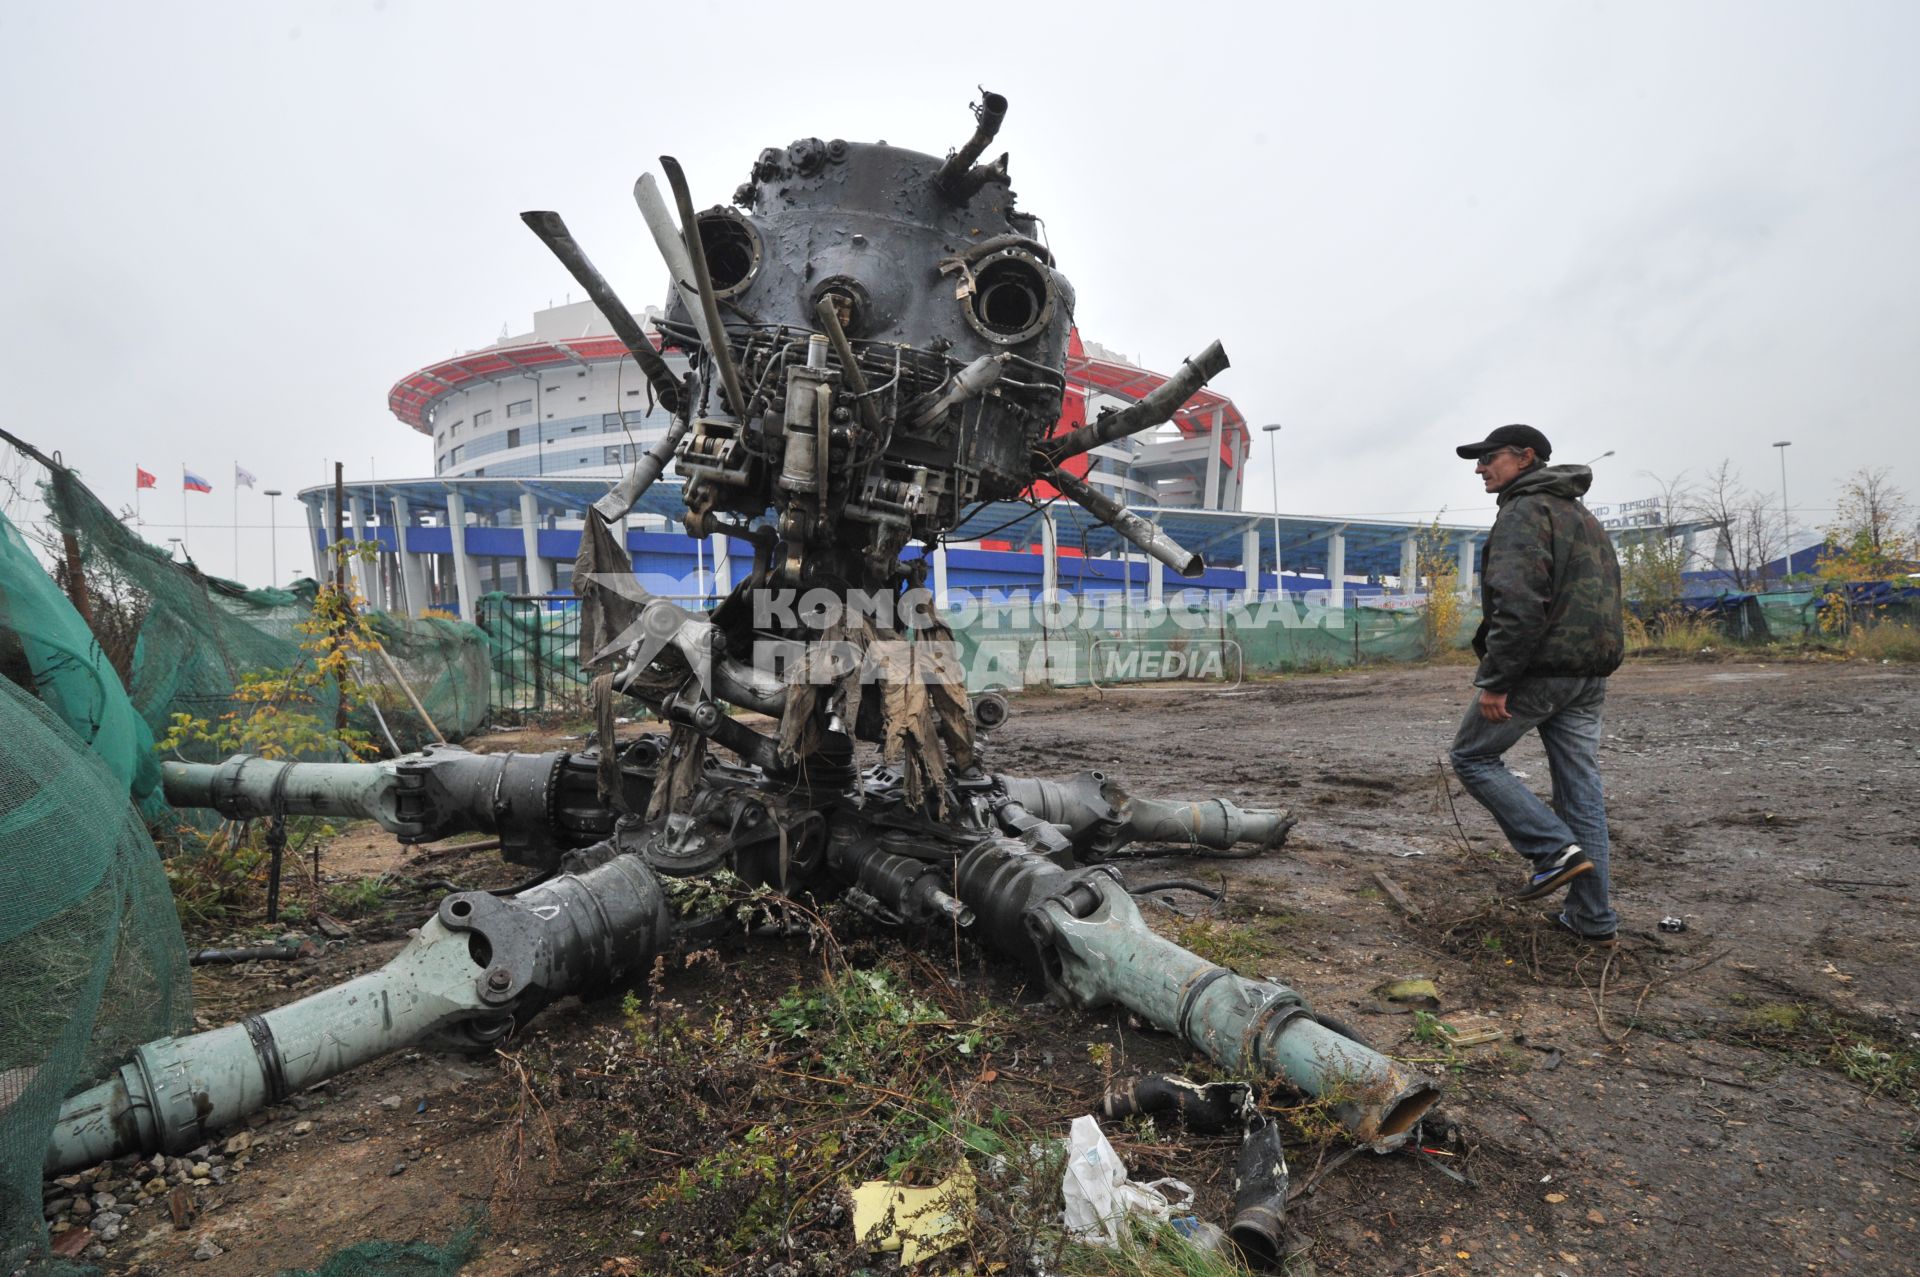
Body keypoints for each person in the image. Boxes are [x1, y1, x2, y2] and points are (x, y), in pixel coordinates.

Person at [1447, 424, 1625, 945]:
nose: (1480, 468)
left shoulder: (1524, 511)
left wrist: (1497, 681)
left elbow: (1519, 605)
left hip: (1540, 670)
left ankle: (1551, 851)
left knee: (1472, 757)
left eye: (1488, 458)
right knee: (1580, 790)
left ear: (1525, 458)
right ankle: (1592, 919)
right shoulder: (1580, 514)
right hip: (1588, 674)